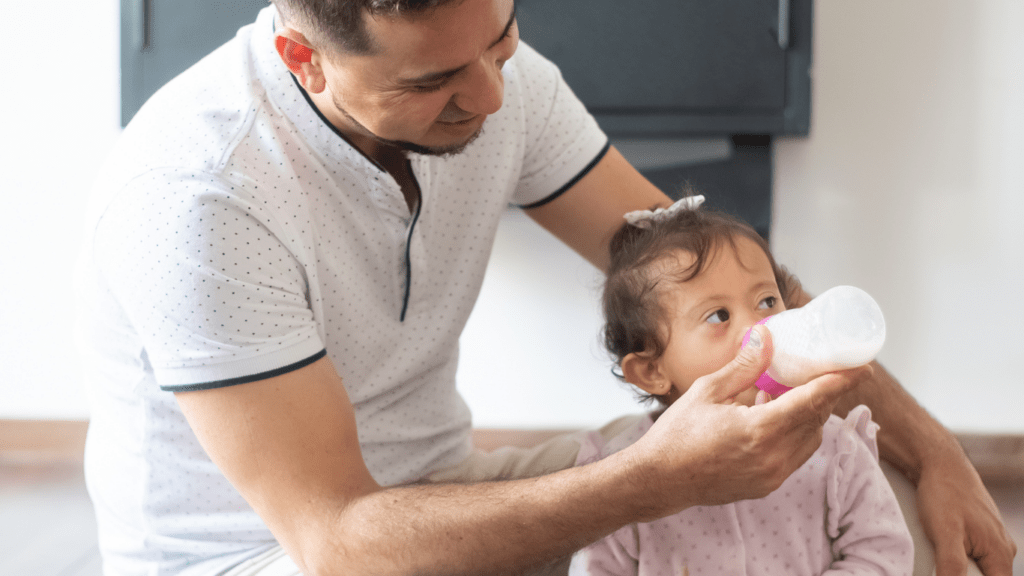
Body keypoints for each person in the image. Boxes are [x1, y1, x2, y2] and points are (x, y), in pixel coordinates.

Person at [73, 0, 1015, 574]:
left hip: (452, 492)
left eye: (503, 39)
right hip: (281, 556)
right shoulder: (198, 194)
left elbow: (697, 264)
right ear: (305, 61)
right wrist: (649, 483)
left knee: (866, 505)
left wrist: (934, 451)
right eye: (436, 79)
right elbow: (341, 545)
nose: (489, 96)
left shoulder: (504, 83)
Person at [568, 196, 914, 575]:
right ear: (652, 371)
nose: (759, 331)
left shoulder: (835, 449)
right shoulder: (625, 481)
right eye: (719, 315)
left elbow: (883, 553)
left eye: (767, 301)